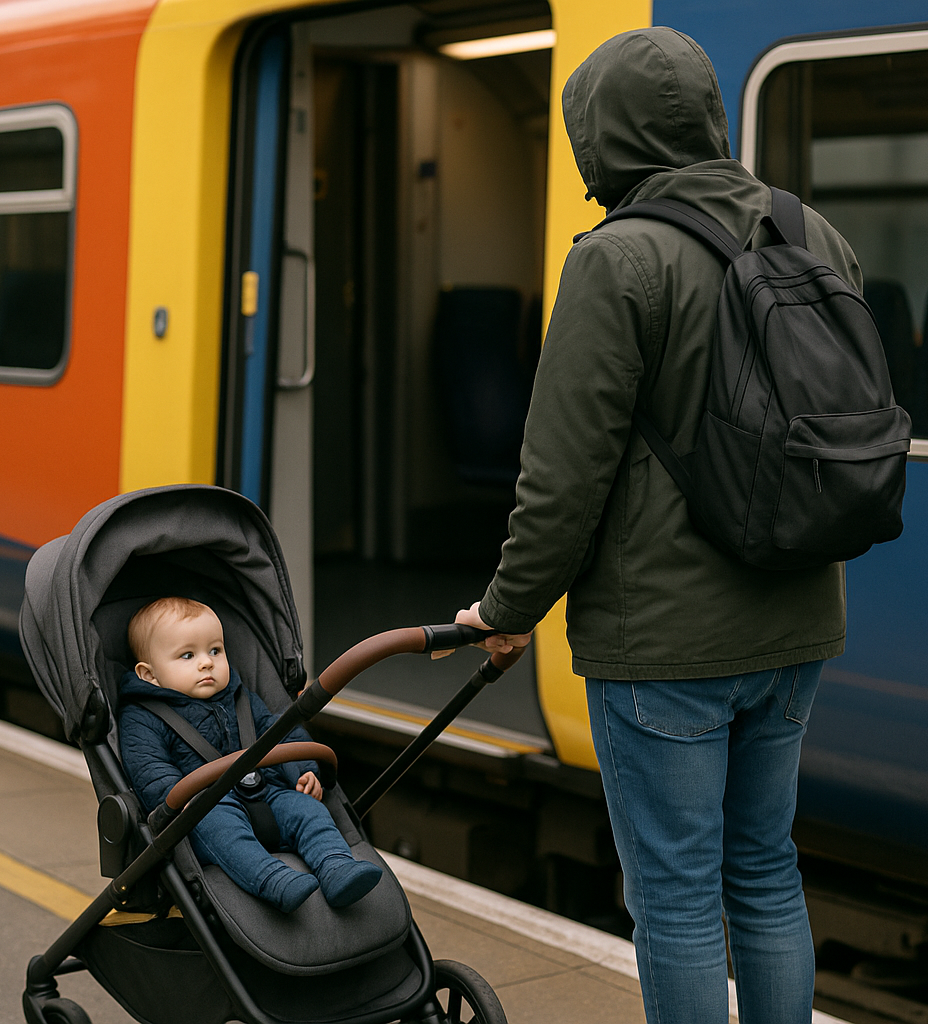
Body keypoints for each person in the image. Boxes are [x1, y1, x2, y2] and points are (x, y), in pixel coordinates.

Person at [447, 27, 860, 1024]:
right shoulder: (814, 232)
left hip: (666, 641)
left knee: (676, 895)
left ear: (605, 139)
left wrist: (508, 609)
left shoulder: (617, 260)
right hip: (799, 616)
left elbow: (560, 480)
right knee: (765, 869)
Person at [117, 597, 382, 912]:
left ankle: (336, 866)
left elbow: (282, 734)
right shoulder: (142, 717)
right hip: (206, 807)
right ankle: (272, 880)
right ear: (149, 675)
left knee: (310, 812)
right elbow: (149, 768)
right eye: (188, 655)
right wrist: (176, 798)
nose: (206, 662)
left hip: (269, 793)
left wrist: (304, 771)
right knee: (221, 829)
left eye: (215, 650)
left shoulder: (242, 699)